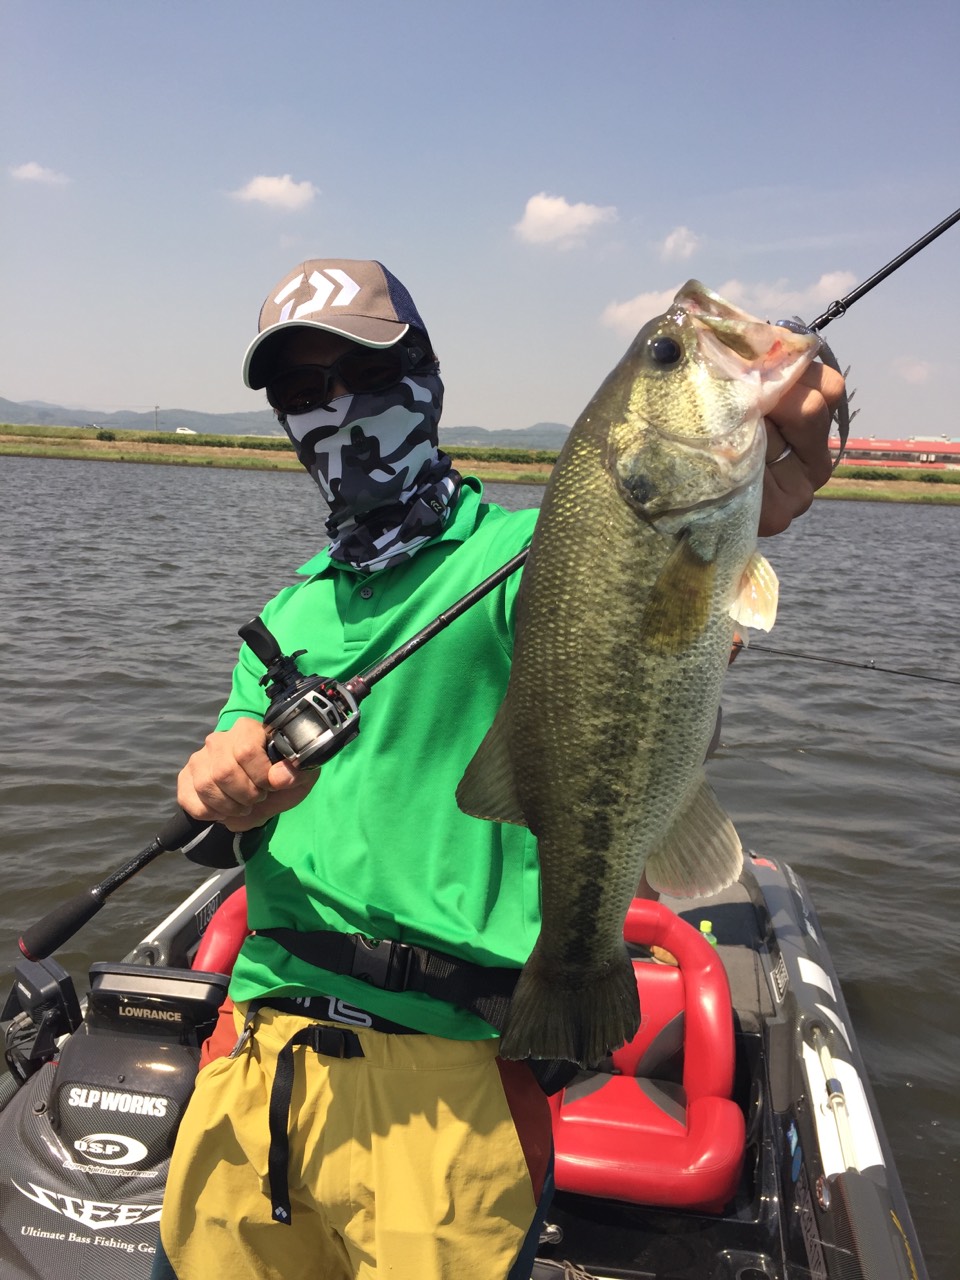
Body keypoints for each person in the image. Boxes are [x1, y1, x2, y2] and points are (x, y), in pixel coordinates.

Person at [152, 258, 844, 1280]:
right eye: (302, 389)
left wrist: (754, 485)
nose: (335, 409)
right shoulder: (284, 615)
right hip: (253, 1068)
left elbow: (639, 634)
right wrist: (213, 784)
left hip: (453, 1082)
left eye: (365, 374)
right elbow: (229, 791)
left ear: (426, 378)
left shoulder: (529, 556)